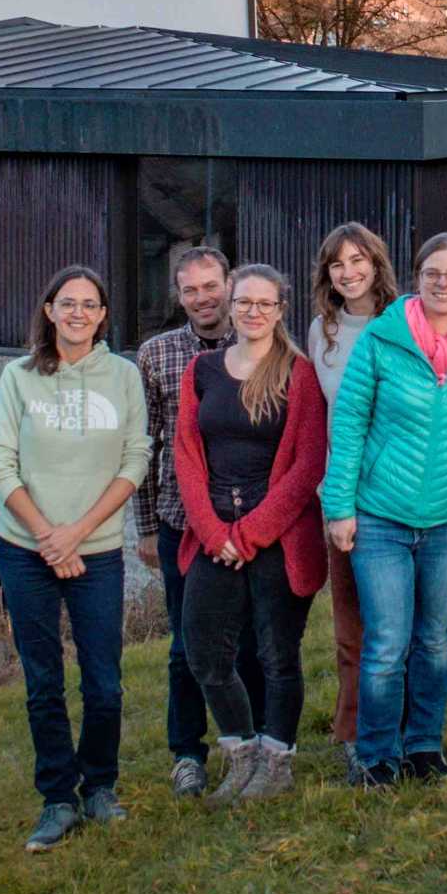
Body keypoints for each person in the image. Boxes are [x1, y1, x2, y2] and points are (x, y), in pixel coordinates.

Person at [0, 266, 150, 850]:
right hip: (27, 551)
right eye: (67, 303)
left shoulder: (124, 377)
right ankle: (58, 798)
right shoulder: (18, 377)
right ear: (49, 310)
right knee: (43, 682)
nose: (78, 313)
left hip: (97, 552)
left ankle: (100, 786)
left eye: (90, 305)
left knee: (104, 683)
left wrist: (75, 533)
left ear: (103, 315)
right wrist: (47, 536)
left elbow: (134, 460)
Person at [321, 233, 447, 787]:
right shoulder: (382, 337)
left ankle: (424, 745)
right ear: (416, 278)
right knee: (386, 643)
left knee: (436, 638)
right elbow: (347, 425)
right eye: (432, 273)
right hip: (381, 517)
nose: (443, 283)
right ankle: (376, 756)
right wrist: (339, 507)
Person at [173, 264, 328, 805]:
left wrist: (252, 533)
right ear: (231, 305)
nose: (253, 312)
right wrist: (216, 534)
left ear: (281, 310)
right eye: (244, 302)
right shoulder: (203, 369)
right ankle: (240, 755)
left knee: (276, 654)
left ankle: (277, 760)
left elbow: (308, 466)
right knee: (205, 654)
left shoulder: (298, 374)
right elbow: (187, 458)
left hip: (277, 537)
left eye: (265, 304)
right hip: (213, 535)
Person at [133, 245, 263, 799]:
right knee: (187, 643)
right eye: (191, 290)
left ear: (229, 285)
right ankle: (187, 752)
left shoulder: (260, 346)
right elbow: (145, 445)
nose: (203, 299)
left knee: (254, 639)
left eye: (212, 287)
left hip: (248, 524)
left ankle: (257, 744)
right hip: (180, 522)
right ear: (178, 296)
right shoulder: (157, 355)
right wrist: (142, 525)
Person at [304, 223, 398, 763]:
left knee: (397, 620)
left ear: (376, 263)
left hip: (397, 491)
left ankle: (402, 721)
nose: (349, 272)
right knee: (350, 622)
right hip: (342, 494)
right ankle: (352, 729)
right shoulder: (324, 331)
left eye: (358, 260)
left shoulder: (402, 321)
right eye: (338, 264)